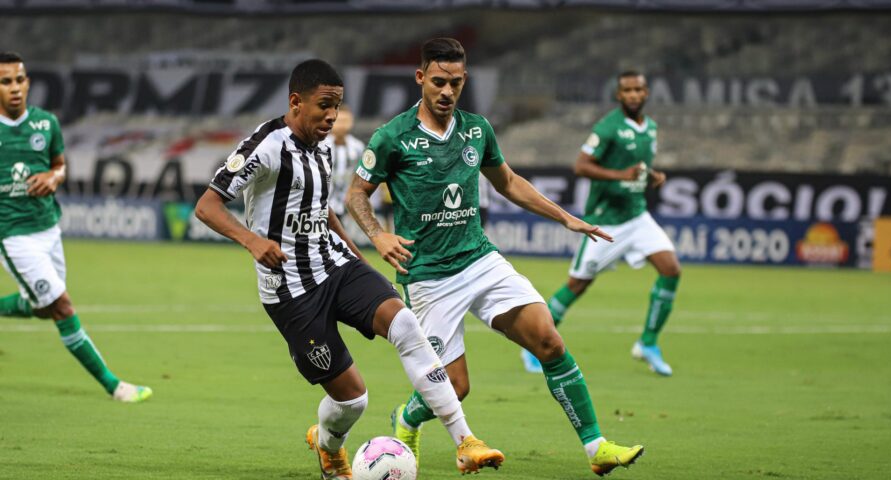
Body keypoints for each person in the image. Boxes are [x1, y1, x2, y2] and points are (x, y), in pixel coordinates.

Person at [346, 38, 644, 477]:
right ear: (421, 79)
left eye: (456, 83)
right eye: (438, 82)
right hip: (429, 275)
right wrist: (378, 235)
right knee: (457, 387)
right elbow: (357, 194)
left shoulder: (476, 129)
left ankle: (596, 447)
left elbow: (507, 181)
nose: (447, 91)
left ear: (464, 81)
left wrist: (566, 218)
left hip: (480, 260)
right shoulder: (393, 136)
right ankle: (408, 418)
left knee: (550, 341)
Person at [194, 59, 503, 479]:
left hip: (334, 264)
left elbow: (323, 209)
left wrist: (357, 257)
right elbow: (207, 205)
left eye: (336, 106)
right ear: (295, 102)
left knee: (406, 324)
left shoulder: (324, 146)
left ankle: (465, 441)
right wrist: (253, 241)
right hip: (290, 289)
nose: (331, 117)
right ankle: (329, 446)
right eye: (324, 106)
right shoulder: (265, 146)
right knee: (352, 401)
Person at [0, 52, 152, 403]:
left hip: (48, 228)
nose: (14, 88)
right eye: (5, 81)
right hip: (13, 235)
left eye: (19, 80)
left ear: (27, 83)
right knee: (62, 306)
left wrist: (53, 177)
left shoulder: (45, 123)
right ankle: (115, 386)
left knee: (42, 307)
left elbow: (60, 165)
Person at [524, 71, 681, 377]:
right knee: (578, 284)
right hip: (606, 222)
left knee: (671, 269)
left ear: (647, 92)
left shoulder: (650, 128)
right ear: (618, 95)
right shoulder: (608, 127)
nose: (633, 94)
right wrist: (619, 176)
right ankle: (534, 344)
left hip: (638, 216)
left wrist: (653, 176)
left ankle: (648, 342)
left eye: (638, 89)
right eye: (627, 90)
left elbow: (638, 169)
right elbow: (581, 166)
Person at [321, 108, 364, 220]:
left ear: (351, 122)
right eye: (339, 120)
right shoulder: (320, 145)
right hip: (323, 202)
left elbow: (359, 174)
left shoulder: (358, 147)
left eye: (346, 121)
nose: (342, 125)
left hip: (346, 203)